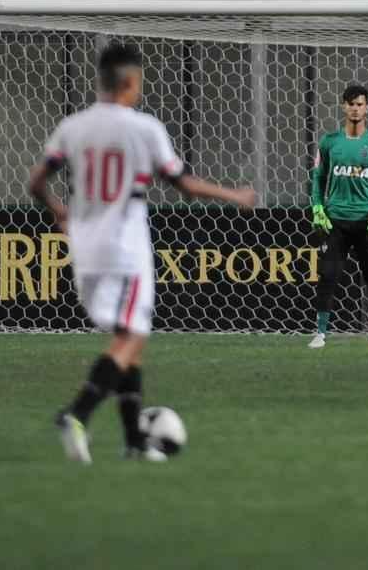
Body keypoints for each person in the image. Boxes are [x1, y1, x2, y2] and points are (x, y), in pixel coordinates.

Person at [28, 43, 256, 463]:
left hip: (84, 246)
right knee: (132, 336)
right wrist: (234, 195)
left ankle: (134, 441)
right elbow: (183, 184)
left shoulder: (73, 127)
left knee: (128, 342)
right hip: (125, 247)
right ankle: (78, 413)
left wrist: (58, 211)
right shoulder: (144, 128)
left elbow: (36, 182)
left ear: (101, 80)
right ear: (131, 82)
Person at [307, 83, 368, 349]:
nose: (355, 109)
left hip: (367, 222)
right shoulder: (329, 142)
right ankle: (320, 333)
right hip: (335, 221)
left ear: (367, 108)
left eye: (360, 104)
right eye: (351, 104)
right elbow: (318, 180)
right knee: (328, 275)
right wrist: (318, 208)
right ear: (343, 106)